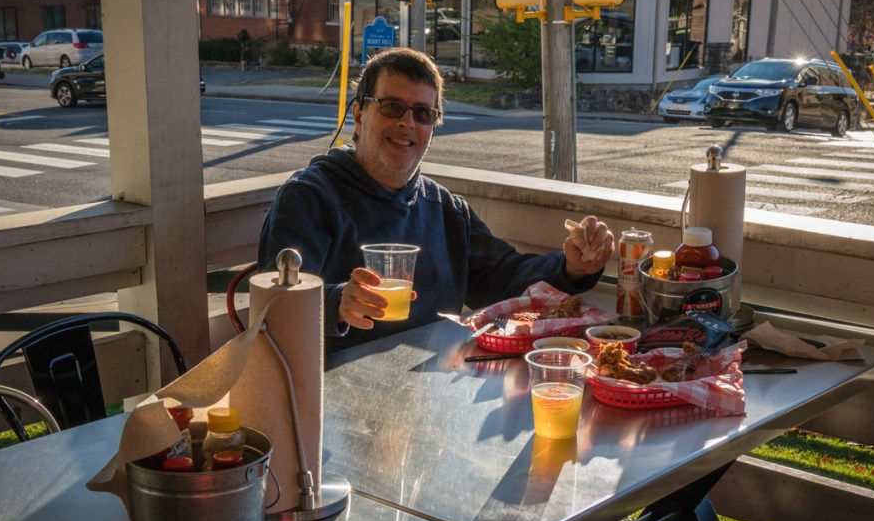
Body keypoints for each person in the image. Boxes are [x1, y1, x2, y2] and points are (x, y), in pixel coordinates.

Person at [258, 47, 613, 352]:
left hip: (432, 385)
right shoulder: (309, 198)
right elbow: (274, 308)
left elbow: (502, 277)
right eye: (392, 107)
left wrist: (572, 269)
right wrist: (338, 302)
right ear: (359, 114)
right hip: (328, 390)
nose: (408, 123)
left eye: (423, 113)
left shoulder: (446, 210)